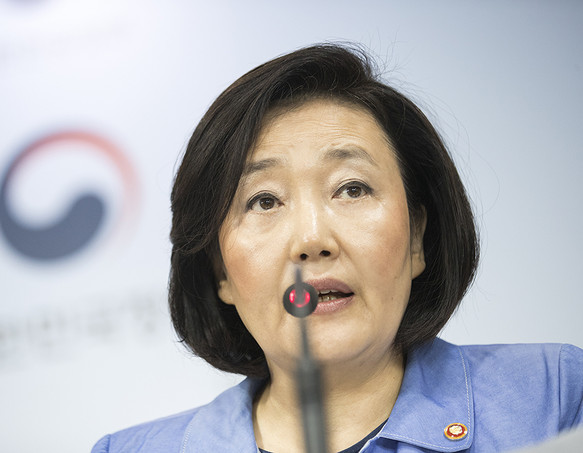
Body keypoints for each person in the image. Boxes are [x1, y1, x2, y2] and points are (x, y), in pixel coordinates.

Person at [91, 43, 583, 453]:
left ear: (417, 239)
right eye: (264, 200)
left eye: (351, 189)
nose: (312, 240)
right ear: (220, 272)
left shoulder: (553, 398)